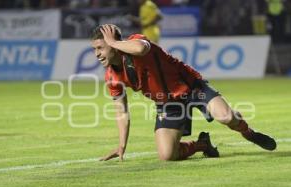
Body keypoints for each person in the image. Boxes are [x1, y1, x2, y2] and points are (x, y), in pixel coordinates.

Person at [90, 24, 277, 161]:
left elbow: (140, 48)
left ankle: (248, 132)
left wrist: (113, 42)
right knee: (167, 155)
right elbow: (121, 111)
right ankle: (202, 144)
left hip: (192, 88)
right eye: (94, 49)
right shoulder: (111, 77)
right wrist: (122, 145)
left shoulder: (135, 42)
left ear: (114, 44)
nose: (96, 54)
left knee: (226, 118)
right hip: (168, 104)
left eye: (100, 47)